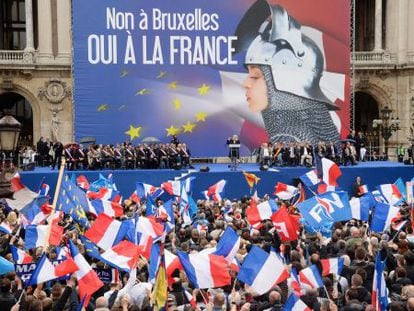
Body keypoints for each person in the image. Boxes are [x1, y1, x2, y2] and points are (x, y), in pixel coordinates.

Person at [242, 3, 340, 146]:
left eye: (255, 76)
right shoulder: (287, 136)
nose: (245, 83)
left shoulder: (297, 139)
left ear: (288, 80)